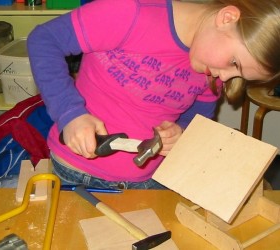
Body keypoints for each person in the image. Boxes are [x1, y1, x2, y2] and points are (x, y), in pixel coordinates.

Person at [27, 0, 280, 190]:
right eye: (234, 62)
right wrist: (70, 114)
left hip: (148, 183)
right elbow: (44, 39)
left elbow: (196, 121)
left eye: (239, 76)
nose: (225, 78)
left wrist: (180, 132)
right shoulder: (131, 12)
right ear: (227, 17)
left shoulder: (212, 70)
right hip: (75, 173)